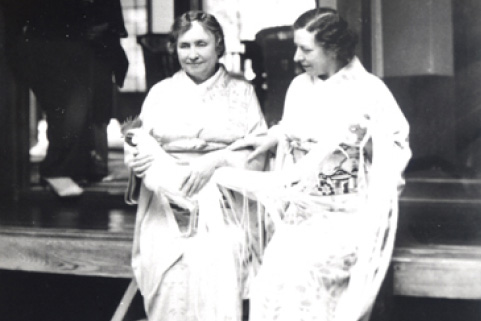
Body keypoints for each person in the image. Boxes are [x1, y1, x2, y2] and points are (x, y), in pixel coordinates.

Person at [229, 7, 411, 321]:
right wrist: (274, 138)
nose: (297, 57)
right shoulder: (300, 86)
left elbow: (394, 147)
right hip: (303, 213)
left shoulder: (369, 91)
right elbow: (290, 126)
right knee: (268, 284)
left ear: (333, 49)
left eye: (306, 49)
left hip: (349, 213)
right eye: (296, 47)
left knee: (304, 276)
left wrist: (363, 145)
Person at [123, 10, 267, 321]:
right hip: (165, 207)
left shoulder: (242, 92)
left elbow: (257, 155)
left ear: (218, 45)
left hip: (226, 206)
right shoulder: (161, 92)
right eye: (184, 46)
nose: (192, 54)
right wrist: (138, 160)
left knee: (224, 261)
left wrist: (217, 161)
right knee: (167, 276)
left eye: (201, 44)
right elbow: (136, 146)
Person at [9, 0, 128, 184]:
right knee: (63, 111)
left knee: (82, 112)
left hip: (82, 46)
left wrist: (102, 29)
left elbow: (109, 17)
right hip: (47, 44)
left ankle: (77, 167)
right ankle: (61, 169)